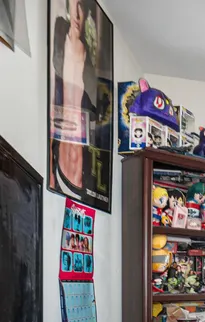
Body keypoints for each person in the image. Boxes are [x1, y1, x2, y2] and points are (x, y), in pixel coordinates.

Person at [50, 0, 97, 200]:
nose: (77, 15)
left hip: (79, 178)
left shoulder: (89, 61)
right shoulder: (59, 33)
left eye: (82, 8)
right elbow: (52, 105)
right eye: (74, 5)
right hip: (61, 166)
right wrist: (51, 172)